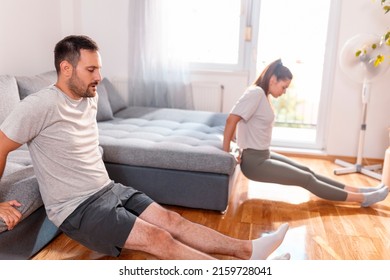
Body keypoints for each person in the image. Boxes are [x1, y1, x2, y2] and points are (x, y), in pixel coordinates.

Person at [0, 35, 290, 260]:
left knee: (170, 220)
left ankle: (248, 251)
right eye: (91, 69)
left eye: (99, 68)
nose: (99, 76)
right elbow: (1, 147)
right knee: (159, 239)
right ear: (66, 68)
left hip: (107, 188)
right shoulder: (38, 106)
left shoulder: (90, 97)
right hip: (77, 209)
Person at [223, 59, 389, 207]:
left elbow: (243, 126)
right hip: (255, 163)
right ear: (273, 79)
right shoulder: (256, 93)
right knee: (306, 179)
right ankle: (363, 199)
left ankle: (362, 191)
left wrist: (236, 146)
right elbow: (232, 119)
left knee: (308, 171)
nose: (284, 92)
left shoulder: (262, 95)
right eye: (284, 87)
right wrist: (226, 153)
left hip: (263, 154)